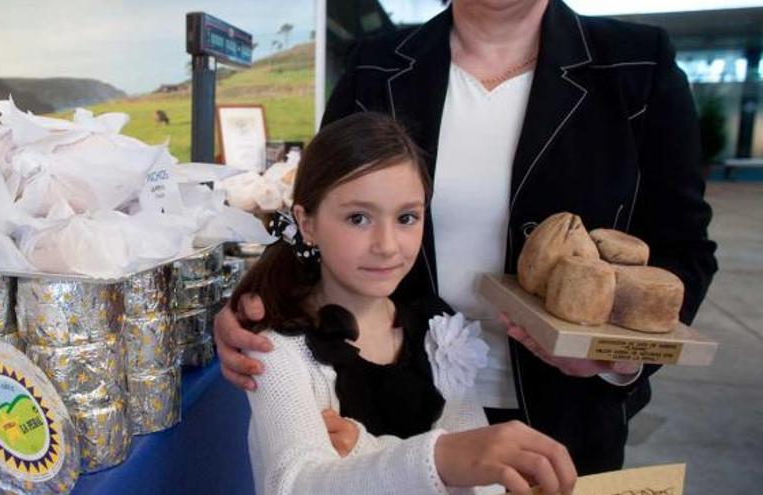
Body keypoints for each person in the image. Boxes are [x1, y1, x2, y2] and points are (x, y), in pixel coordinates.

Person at [216, 0, 718, 475]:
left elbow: (683, 249)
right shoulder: (376, 64)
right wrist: (257, 304)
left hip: (567, 416)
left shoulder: (635, 65)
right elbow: (328, 205)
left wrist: (616, 358)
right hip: (387, 401)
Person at [236, 112, 576, 494]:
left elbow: (485, 480)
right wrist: (444, 460)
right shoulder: (279, 349)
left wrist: (367, 448)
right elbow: (298, 482)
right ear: (307, 223)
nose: (387, 245)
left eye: (407, 217)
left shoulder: (441, 334)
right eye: (358, 218)